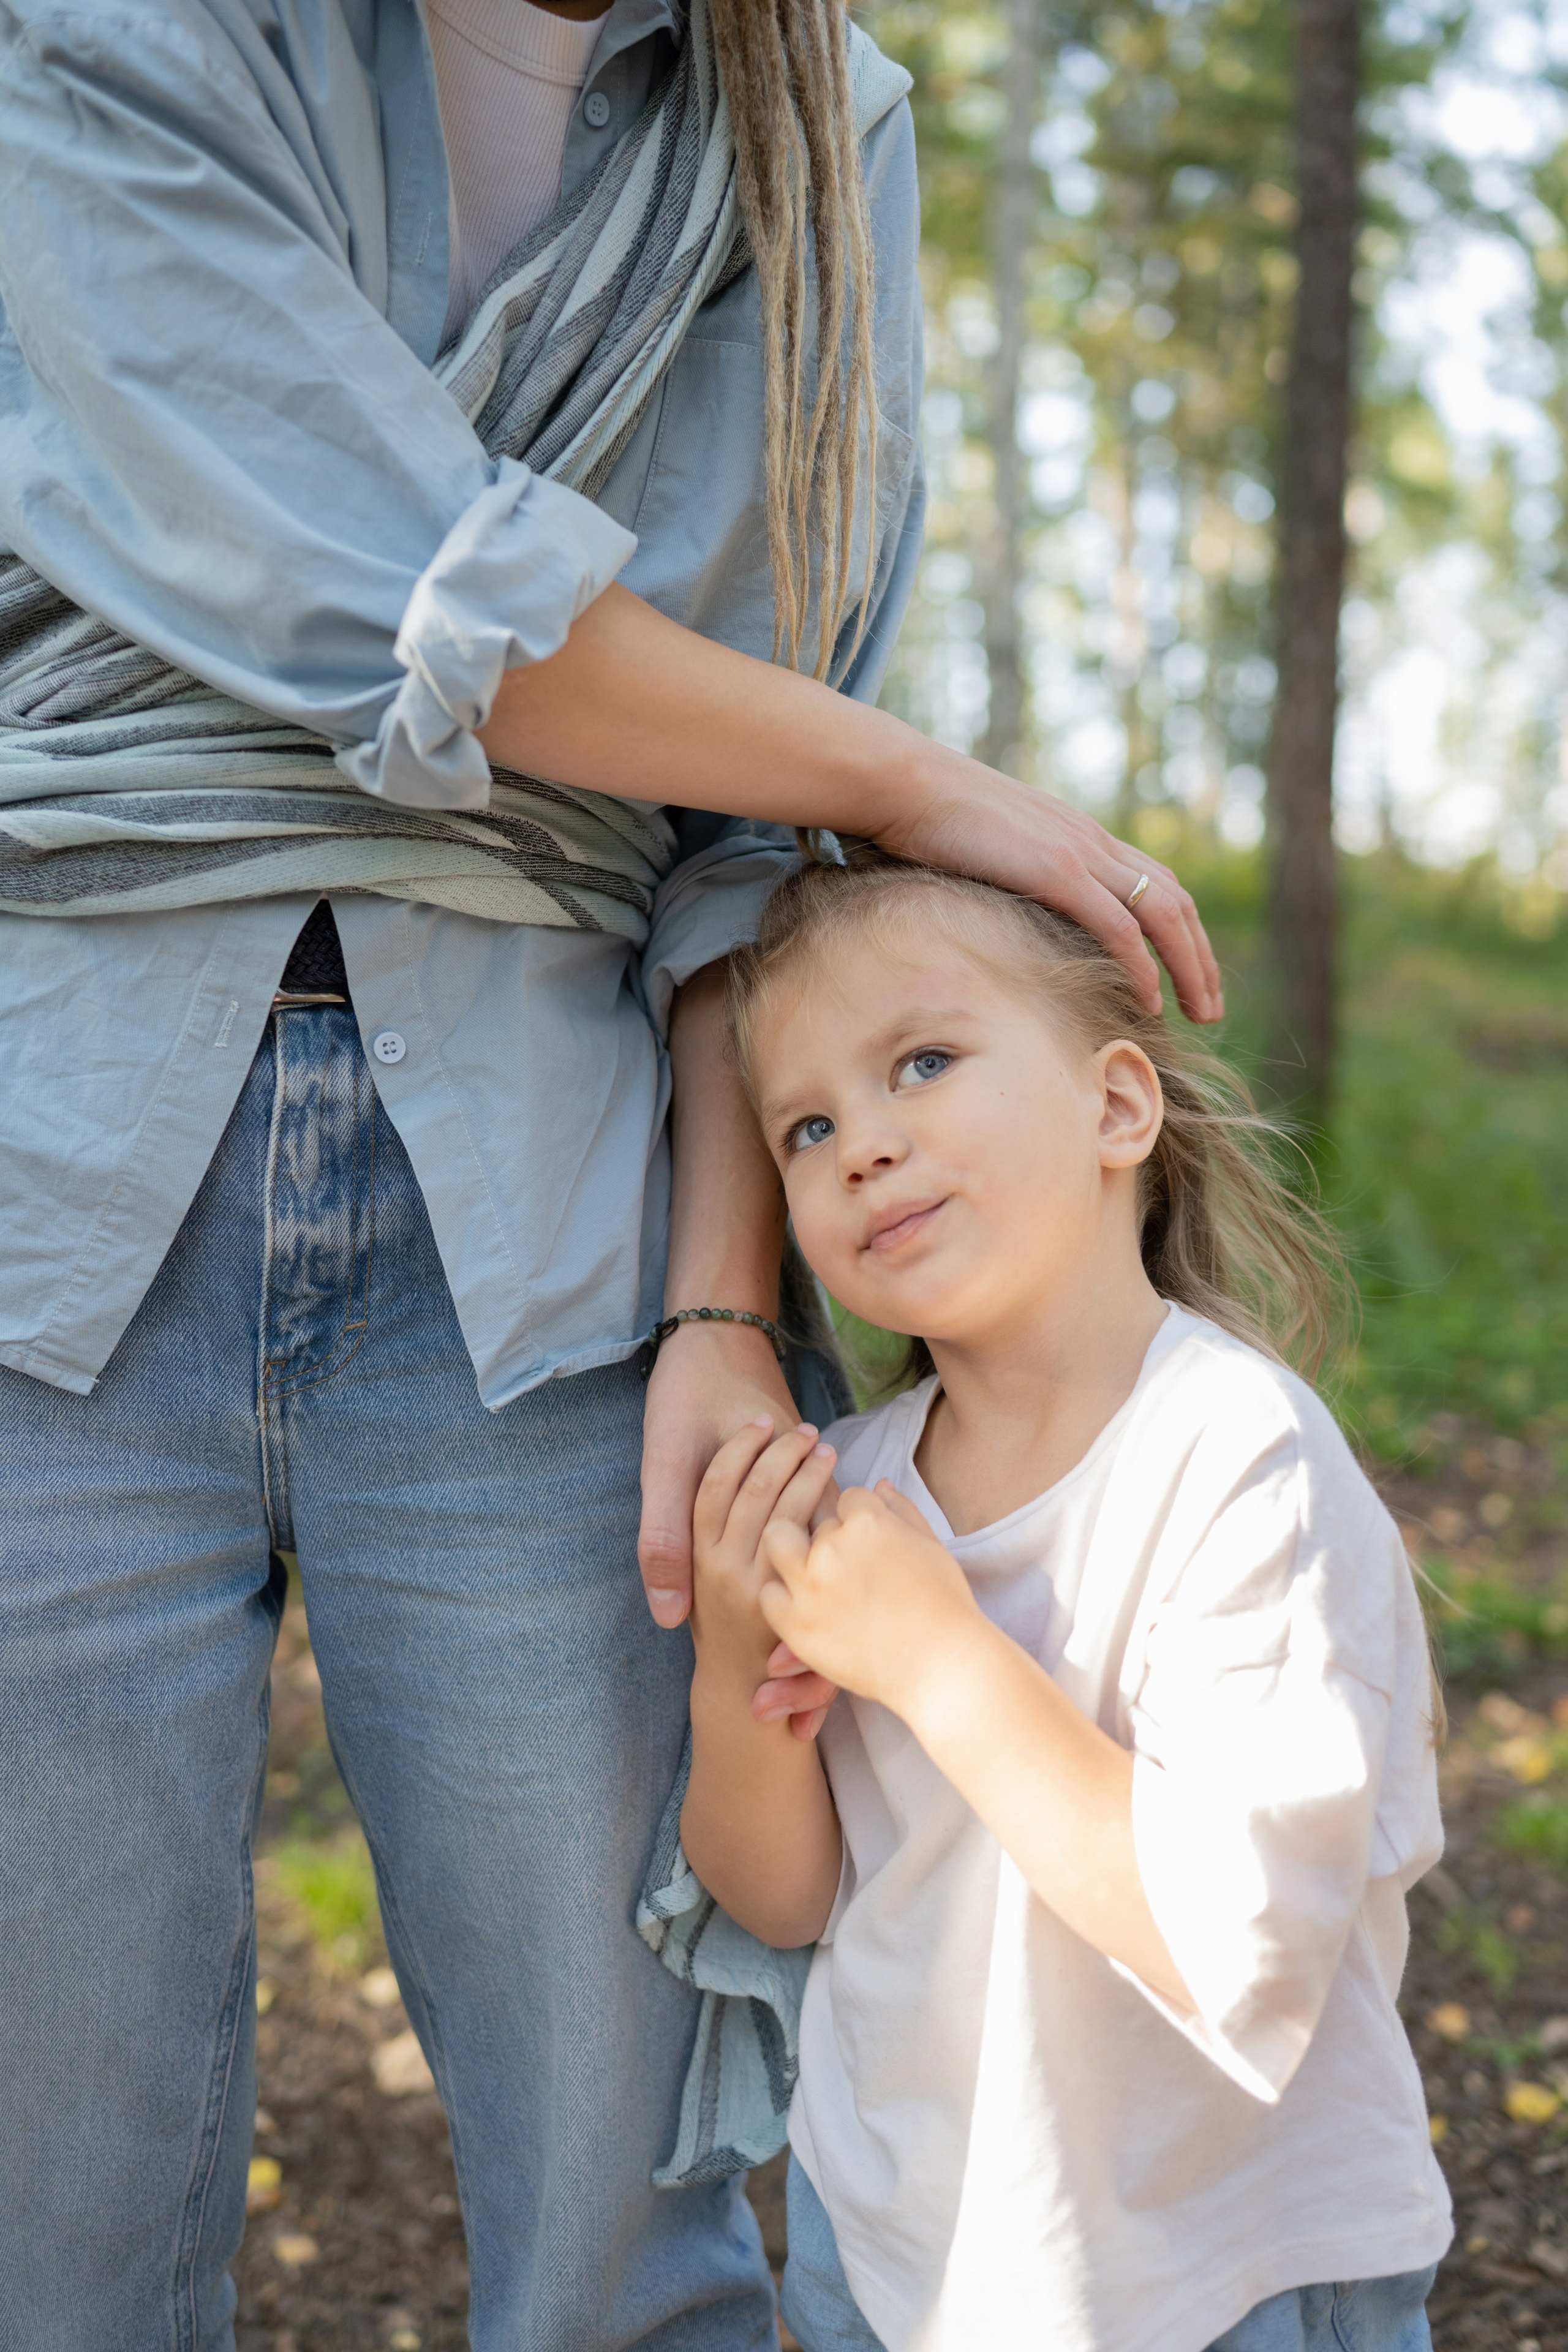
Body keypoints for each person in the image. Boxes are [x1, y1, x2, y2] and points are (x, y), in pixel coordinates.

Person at [0, 2, 1220, 2345]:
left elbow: (734, 824)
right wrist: (917, 780)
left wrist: (712, 1307)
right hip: (61, 1149)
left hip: (550, 1200)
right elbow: (359, 566)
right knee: (38, 2214)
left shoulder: (812, 118)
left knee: (629, 2209)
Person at [681, 857, 1454, 2352]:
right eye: (808, 1124)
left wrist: (937, 1656)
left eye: (921, 1061)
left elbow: (1227, 1940)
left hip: (1218, 2266)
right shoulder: (844, 1488)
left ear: (1115, 1107)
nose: (861, 1145)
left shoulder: (1236, 1457)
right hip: (906, 2256)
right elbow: (782, 1899)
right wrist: (735, 1683)